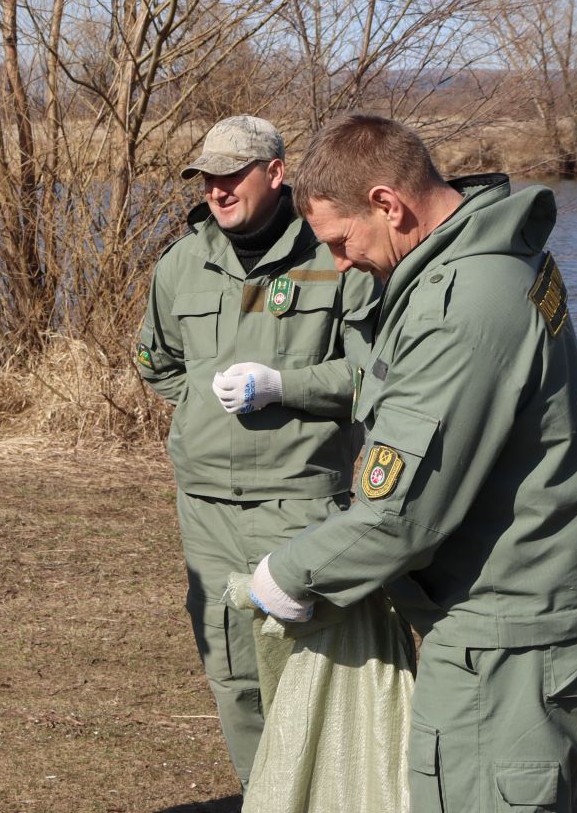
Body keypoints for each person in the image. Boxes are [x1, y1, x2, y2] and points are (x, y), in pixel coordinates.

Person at [243, 114, 577, 813]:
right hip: (534, 611)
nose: (337, 263)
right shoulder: (478, 263)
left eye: (340, 241)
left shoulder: (462, 304)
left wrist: (288, 574)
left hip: (511, 634)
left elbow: (400, 517)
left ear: (390, 204)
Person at [133, 114, 374, 787]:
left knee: (310, 672)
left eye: (231, 174)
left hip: (298, 500)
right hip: (206, 510)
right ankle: (264, 799)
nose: (216, 189)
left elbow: (375, 377)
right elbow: (155, 359)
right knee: (233, 678)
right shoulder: (183, 262)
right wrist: (201, 413)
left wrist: (284, 388)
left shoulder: (332, 256)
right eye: (207, 177)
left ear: (275, 173)